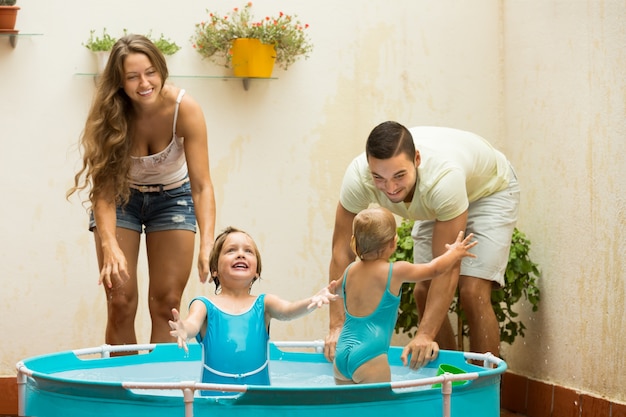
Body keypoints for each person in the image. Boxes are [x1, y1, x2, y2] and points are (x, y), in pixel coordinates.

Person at [325, 121, 520, 370]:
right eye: (379, 178)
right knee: (423, 290)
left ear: (416, 159)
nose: (391, 188)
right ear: (369, 167)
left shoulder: (442, 179)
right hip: (436, 204)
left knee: (472, 290)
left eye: (399, 175)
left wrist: (425, 334)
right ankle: (449, 379)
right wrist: (337, 325)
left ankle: (484, 392)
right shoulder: (358, 177)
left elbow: (447, 265)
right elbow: (341, 251)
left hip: (490, 191)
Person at [67, 34, 216, 346]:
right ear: (120, 83)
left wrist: (207, 245)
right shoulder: (110, 114)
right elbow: (104, 192)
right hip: (121, 199)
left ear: (161, 69)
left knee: (166, 303)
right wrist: (109, 245)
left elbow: (201, 186)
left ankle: (160, 391)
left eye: (150, 72)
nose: (144, 83)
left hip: (174, 200)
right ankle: (123, 390)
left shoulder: (184, 109)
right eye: (132, 77)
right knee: (120, 301)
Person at [169, 226, 337, 390]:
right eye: (231, 250)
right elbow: (193, 323)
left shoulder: (264, 304)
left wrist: (313, 301)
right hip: (214, 401)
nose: (241, 254)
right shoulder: (204, 305)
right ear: (214, 270)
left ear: (256, 271)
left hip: (259, 402)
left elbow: (289, 310)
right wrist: (185, 330)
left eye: (248, 251)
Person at [332, 207, 477, 384]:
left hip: (342, 352)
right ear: (393, 243)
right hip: (370, 355)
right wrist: (454, 252)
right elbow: (434, 269)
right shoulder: (395, 271)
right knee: (382, 411)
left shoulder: (349, 271)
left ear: (354, 242)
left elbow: (333, 291)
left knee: (346, 411)